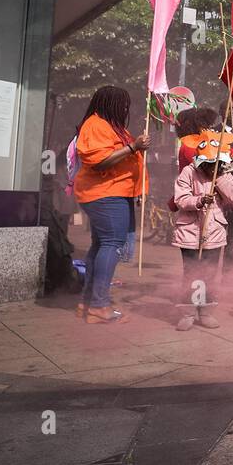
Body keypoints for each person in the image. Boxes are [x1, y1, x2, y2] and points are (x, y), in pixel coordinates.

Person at [72, 86, 149, 324]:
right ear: (108, 103)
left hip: (116, 193)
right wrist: (133, 147)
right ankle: (99, 305)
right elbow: (99, 162)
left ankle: (89, 302)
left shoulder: (113, 126)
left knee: (101, 244)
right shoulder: (96, 124)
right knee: (112, 245)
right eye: (122, 103)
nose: (126, 108)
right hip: (105, 194)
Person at [171, 149, 233, 330]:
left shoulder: (225, 173)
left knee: (209, 273)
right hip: (190, 232)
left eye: (215, 164)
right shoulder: (188, 171)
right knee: (192, 272)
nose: (211, 168)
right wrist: (199, 201)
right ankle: (188, 313)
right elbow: (180, 199)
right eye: (208, 165)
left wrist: (219, 178)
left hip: (214, 232)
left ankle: (206, 312)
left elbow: (232, 197)